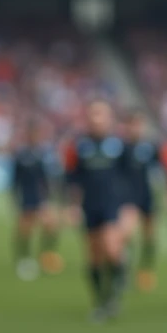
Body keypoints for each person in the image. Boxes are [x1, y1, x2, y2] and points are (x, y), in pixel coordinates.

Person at [64, 100, 128, 320]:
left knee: (112, 249)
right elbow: (72, 178)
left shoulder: (119, 145)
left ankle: (116, 286)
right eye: (93, 114)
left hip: (112, 206)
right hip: (89, 206)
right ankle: (101, 300)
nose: (97, 119)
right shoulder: (79, 146)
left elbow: (129, 176)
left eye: (101, 114)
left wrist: (129, 206)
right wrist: (72, 205)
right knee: (94, 258)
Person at [10, 118, 63, 280]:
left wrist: (50, 197)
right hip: (26, 197)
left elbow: (47, 178)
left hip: (41, 198)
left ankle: (45, 255)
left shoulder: (43, 154)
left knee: (51, 226)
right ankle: (24, 259)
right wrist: (15, 198)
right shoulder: (21, 155)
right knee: (24, 231)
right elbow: (15, 180)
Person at [118, 110, 161, 291]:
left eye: (139, 124)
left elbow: (158, 171)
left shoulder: (150, 147)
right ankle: (122, 272)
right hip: (127, 198)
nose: (136, 129)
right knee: (125, 235)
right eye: (132, 124)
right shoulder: (120, 148)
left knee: (149, 236)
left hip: (147, 196)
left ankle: (145, 271)